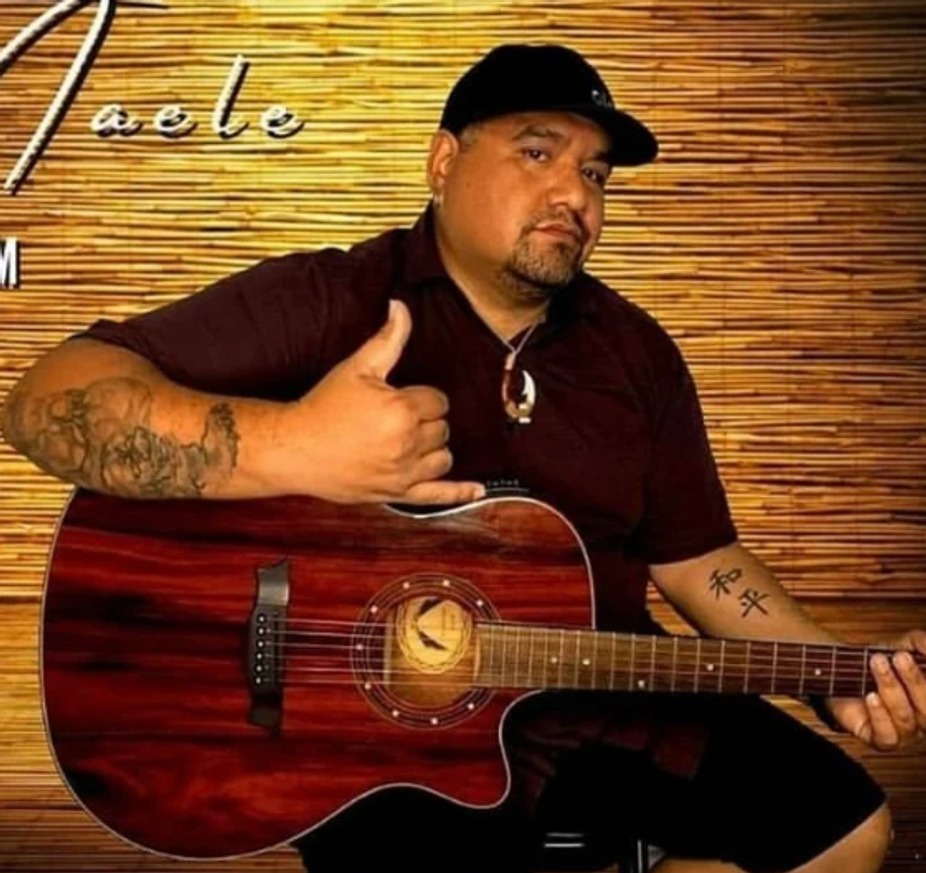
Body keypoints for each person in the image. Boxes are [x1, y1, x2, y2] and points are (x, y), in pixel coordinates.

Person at [3, 43, 925, 873]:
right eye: (537, 152)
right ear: (444, 162)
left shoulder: (637, 353)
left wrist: (835, 674)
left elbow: (699, 561)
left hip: (603, 686)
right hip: (372, 732)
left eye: (594, 173)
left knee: (849, 831)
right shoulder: (331, 299)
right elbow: (45, 400)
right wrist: (293, 446)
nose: (574, 196)